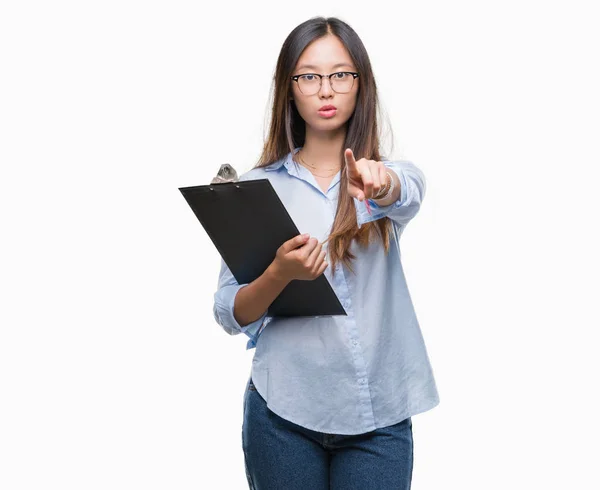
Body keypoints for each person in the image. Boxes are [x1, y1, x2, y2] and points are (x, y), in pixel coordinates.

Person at [212, 16, 440, 490]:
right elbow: (230, 312)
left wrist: (382, 183)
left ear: (360, 83)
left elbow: (409, 191)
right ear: (289, 89)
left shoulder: (383, 177)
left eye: (340, 74)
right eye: (309, 76)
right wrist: (279, 272)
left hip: (378, 418)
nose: (326, 89)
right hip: (282, 414)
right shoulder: (258, 188)